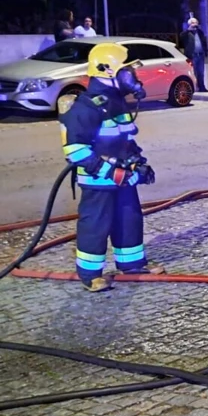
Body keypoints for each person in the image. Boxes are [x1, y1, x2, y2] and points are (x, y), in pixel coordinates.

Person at [59, 42, 162, 292]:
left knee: (129, 220)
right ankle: (90, 274)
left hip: (123, 178)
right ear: (107, 71)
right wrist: (112, 173)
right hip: (99, 182)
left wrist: (139, 163)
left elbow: (124, 139)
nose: (132, 77)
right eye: (126, 71)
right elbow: (75, 150)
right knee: (96, 224)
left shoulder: (115, 102)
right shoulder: (85, 108)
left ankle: (132, 264)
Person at [180, 17, 208, 92]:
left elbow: (204, 43)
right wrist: (189, 30)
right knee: (193, 73)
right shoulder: (187, 33)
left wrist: (206, 52)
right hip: (192, 55)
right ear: (189, 24)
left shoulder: (200, 32)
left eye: (196, 23)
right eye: (193, 23)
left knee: (201, 73)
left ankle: (202, 87)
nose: (195, 25)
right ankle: (194, 88)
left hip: (200, 55)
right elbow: (181, 38)